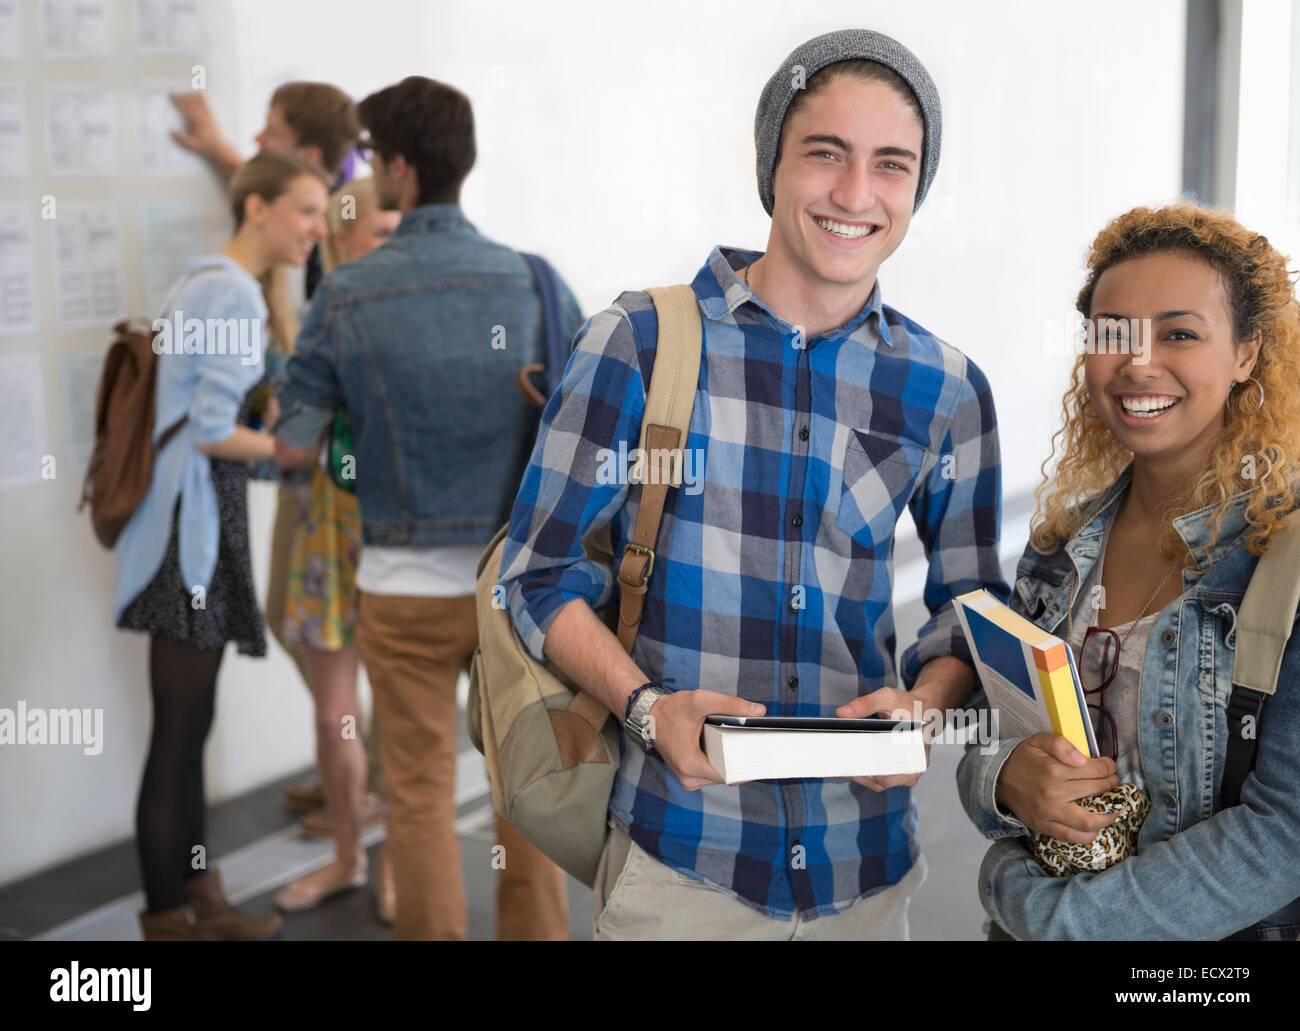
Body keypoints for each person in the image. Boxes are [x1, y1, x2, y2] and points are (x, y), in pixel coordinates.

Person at [498, 29, 1008, 940]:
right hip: (678, 858)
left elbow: (972, 601)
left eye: (892, 165)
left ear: (918, 188)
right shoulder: (637, 343)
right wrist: (647, 710)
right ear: (772, 162)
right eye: (826, 154)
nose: (856, 195)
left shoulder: (945, 388)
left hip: (867, 865)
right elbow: (538, 574)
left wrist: (925, 710)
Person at [273, 76, 585, 940]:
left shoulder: (346, 294)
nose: (370, 171)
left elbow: (299, 445)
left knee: (416, 794)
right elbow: (590, 425)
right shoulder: (534, 282)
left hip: (398, 591)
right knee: (525, 792)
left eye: (373, 155)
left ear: (400, 166)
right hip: (515, 597)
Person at [956, 203, 1300, 940]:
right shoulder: (1062, 544)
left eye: (1179, 333)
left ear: (1246, 353)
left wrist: (1044, 912)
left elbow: (1285, 835)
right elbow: (992, 732)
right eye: (1113, 334)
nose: (1138, 363)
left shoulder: (1288, 560)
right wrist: (1006, 780)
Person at [113, 150, 331, 940]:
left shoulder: (207, 280)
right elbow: (211, 432)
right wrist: (288, 450)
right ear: (257, 209)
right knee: (177, 735)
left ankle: (199, 896)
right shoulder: (231, 291)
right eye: (306, 210)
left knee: (190, 726)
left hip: (187, 528)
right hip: (190, 537)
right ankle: (166, 917)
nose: (316, 227)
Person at [272, 179, 400, 921]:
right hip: (328, 527)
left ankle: (394, 866)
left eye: (395, 230)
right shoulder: (324, 315)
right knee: (334, 718)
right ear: (338, 239)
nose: (388, 244)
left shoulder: (418, 310)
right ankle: (349, 856)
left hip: (394, 534)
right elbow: (294, 433)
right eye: (375, 232)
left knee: (394, 717)